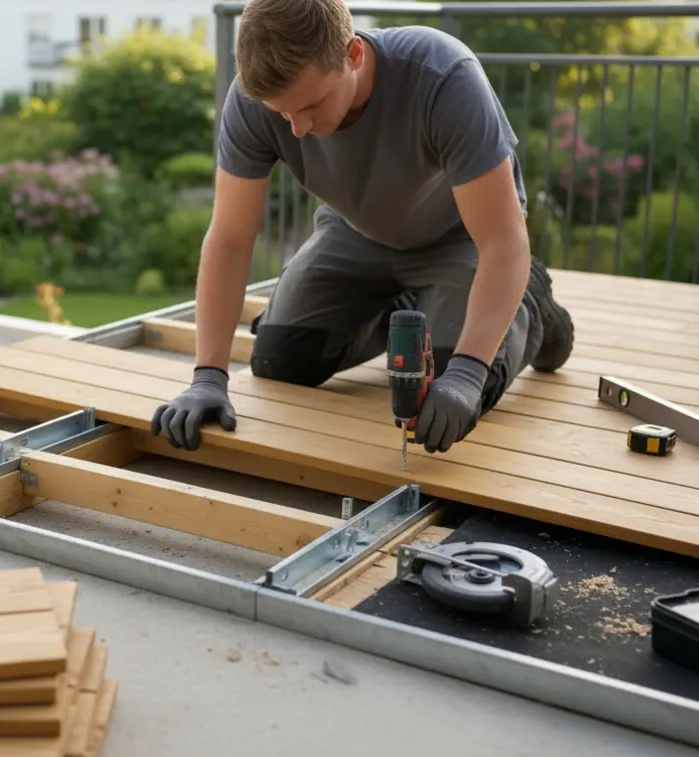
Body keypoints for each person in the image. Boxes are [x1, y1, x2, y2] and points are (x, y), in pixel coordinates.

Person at [149, 0, 575, 454]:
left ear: (353, 55)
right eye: (282, 113)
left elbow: (502, 240)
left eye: (311, 105)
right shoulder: (254, 101)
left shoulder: (444, 77)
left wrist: (469, 372)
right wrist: (208, 377)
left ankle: (533, 301)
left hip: (461, 238)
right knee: (281, 360)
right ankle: (415, 305)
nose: (297, 129)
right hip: (356, 233)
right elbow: (230, 241)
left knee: (450, 385)